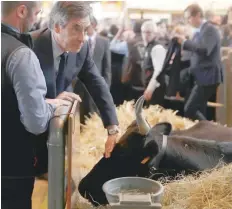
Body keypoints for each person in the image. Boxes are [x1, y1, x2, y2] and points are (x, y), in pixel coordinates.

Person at [30, 1, 120, 176]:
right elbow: (11, 95)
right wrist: (51, 99)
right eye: (76, 29)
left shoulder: (82, 48)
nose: (82, 37)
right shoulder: (29, 45)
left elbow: (96, 82)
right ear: (57, 27)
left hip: (51, 135)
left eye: (86, 30)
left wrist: (112, 126)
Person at [1, 1, 70, 209]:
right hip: (10, 169)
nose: (37, 20)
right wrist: (52, 105)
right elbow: (36, 122)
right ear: (22, 11)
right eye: (37, 14)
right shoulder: (20, 54)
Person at [175, 4, 223, 120]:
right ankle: (205, 135)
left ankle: (210, 130)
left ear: (198, 15)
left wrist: (185, 43)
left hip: (208, 76)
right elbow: (197, 51)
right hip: (201, 76)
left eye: (188, 18)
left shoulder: (209, 29)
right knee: (199, 109)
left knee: (190, 109)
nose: (187, 21)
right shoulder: (200, 31)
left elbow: (205, 50)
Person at [141, 20, 167, 106]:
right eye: (143, 32)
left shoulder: (157, 47)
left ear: (155, 33)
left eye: (148, 32)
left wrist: (150, 88)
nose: (145, 35)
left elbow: (158, 70)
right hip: (151, 86)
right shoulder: (148, 47)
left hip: (156, 88)